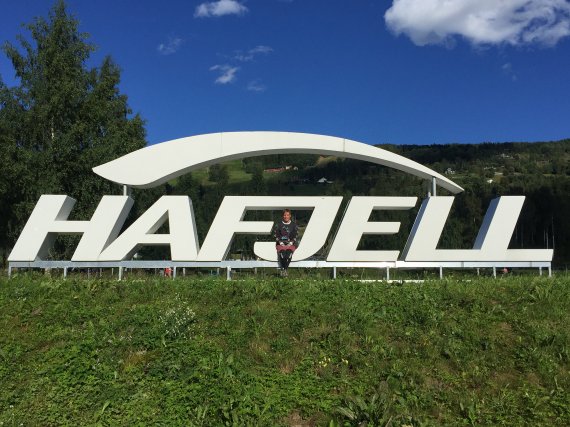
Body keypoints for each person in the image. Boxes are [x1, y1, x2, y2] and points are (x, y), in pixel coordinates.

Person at [272, 209, 298, 277]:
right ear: (283, 216)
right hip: (280, 244)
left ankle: (285, 270)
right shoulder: (278, 224)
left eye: (287, 215)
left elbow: (295, 235)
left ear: (290, 216)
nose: (286, 216)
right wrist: (280, 242)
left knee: (288, 254)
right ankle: (283, 269)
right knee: (283, 255)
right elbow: (275, 234)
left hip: (291, 244)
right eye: (284, 215)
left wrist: (291, 242)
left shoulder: (294, 225)